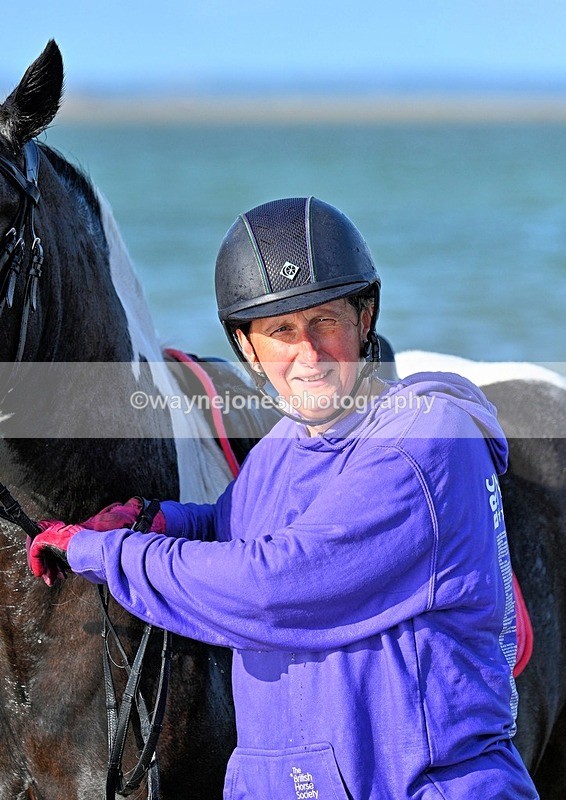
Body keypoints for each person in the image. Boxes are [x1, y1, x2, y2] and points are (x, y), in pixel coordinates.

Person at [28, 197, 538, 799]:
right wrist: (157, 518)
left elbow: (275, 586)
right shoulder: (285, 444)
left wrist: (104, 554)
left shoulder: (425, 442)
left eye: (326, 321)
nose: (309, 355)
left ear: (365, 316)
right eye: (282, 331)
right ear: (246, 347)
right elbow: (236, 524)